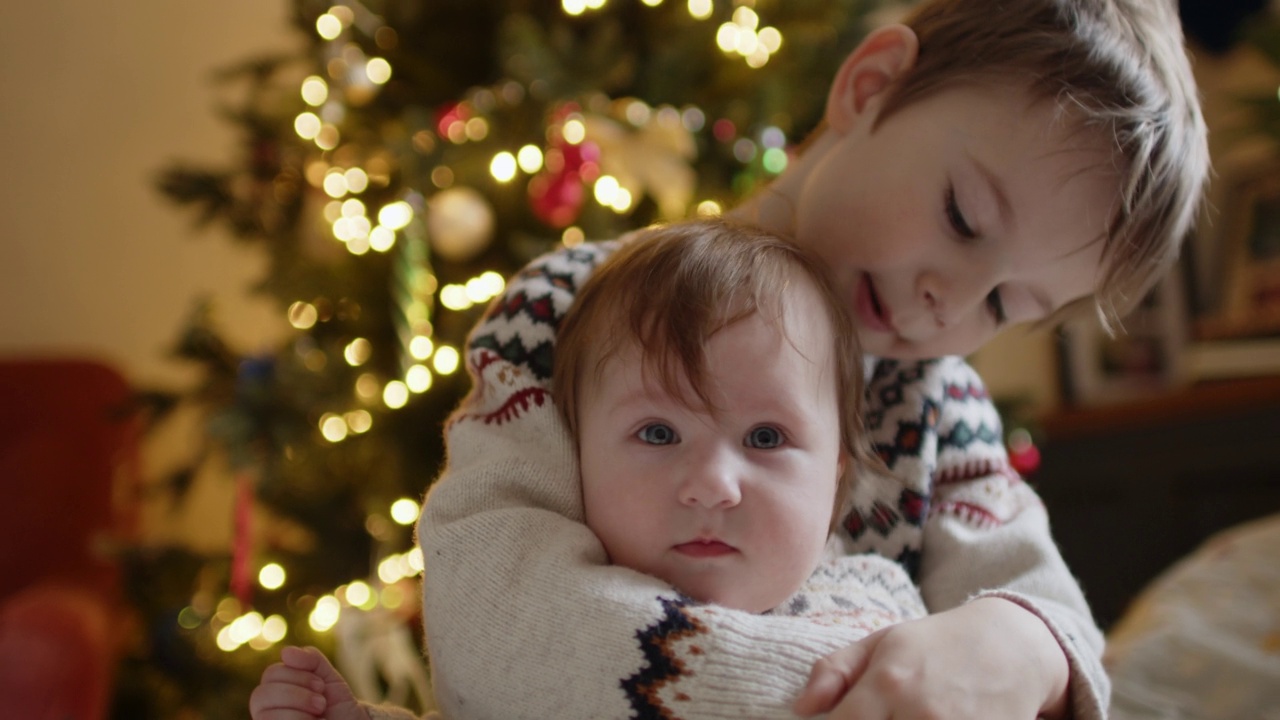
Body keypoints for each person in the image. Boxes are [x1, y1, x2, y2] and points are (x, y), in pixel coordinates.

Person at [414, 0, 1210, 717]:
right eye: (963, 219)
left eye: (1005, 304)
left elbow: (1059, 624)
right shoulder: (566, 307)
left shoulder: (941, 408)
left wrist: (1020, 643)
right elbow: (490, 606)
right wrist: (814, 687)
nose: (953, 301)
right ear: (870, 87)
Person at [249, 221, 929, 720]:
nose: (713, 485)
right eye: (658, 433)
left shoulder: (873, 609)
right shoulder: (555, 603)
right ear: (578, 459)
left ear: (836, 473)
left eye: (766, 436)